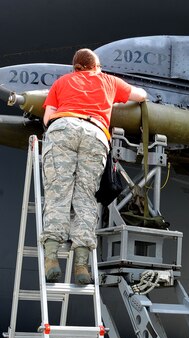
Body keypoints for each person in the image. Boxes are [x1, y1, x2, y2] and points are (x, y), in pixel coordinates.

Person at [41, 48, 147, 284]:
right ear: (96, 66)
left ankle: (50, 260)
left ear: (75, 67)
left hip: (63, 128)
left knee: (58, 192)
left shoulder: (61, 82)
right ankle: (81, 266)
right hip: (95, 134)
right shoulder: (108, 81)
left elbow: (48, 118)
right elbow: (140, 95)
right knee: (86, 197)